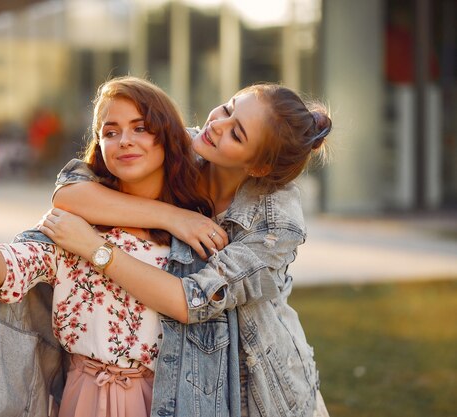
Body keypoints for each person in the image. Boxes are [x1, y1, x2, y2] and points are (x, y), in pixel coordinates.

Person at [41, 82, 332, 417]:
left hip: (257, 384)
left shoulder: (277, 223)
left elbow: (192, 300)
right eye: (227, 108)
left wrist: (96, 248)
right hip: (184, 371)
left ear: (259, 167)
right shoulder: (187, 145)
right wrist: (172, 216)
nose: (216, 125)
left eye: (236, 134)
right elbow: (69, 193)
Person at [0, 76, 214, 417]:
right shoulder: (76, 223)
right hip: (83, 397)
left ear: (168, 135)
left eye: (140, 128)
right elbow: (5, 271)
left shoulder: (196, 229)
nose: (124, 141)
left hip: (169, 399)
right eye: (110, 132)